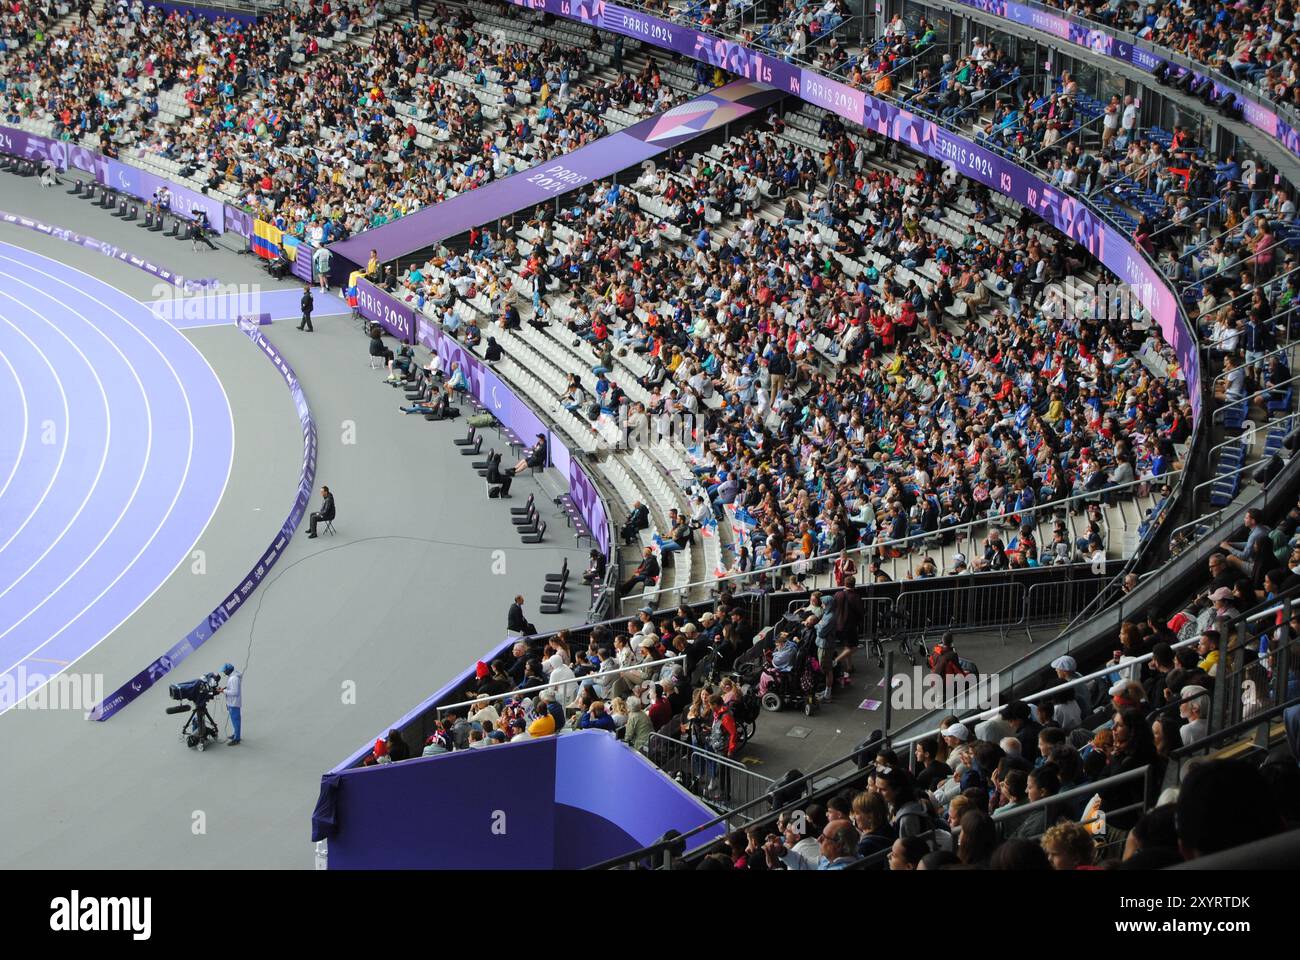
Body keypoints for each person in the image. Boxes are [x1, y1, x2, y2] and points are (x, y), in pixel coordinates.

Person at [218, 662, 242, 745]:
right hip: (232, 703)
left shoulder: (234, 678)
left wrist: (223, 691)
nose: (224, 673)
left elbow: (235, 692)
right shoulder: (232, 677)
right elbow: (232, 688)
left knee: (236, 721)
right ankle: (236, 734)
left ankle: (237, 739)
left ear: (228, 671)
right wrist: (226, 688)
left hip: (234, 703)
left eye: (224, 671)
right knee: (234, 721)